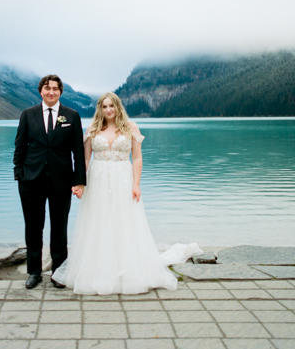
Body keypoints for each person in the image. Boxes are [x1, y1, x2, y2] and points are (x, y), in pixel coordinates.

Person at [52, 92, 202, 295]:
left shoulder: (130, 128)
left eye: (111, 106)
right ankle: (98, 268)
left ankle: (127, 267)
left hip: (123, 178)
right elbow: (85, 160)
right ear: (100, 109)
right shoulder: (92, 129)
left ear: (118, 106)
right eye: (104, 107)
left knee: (124, 221)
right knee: (98, 221)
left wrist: (136, 184)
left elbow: (137, 158)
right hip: (98, 180)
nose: (108, 110)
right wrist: (80, 184)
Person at [13, 74, 87, 289]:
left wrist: (79, 180)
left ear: (60, 92)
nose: (51, 92)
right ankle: (34, 272)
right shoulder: (28, 114)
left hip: (62, 181)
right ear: (40, 92)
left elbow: (78, 152)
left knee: (59, 227)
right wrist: (19, 173)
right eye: (47, 88)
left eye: (55, 88)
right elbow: (20, 147)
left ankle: (58, 272)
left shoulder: (71, 116)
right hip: (30, 180)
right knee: (33, 227)